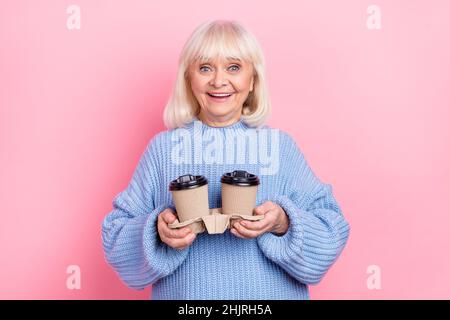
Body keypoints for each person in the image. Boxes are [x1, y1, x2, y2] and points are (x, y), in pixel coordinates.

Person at [101, 20, 350, 300]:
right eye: (205, 68)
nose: (219, 81)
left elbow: (333, 229)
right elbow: (115, 237)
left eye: (234, 67)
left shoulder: (279, 148)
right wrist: (156, 231)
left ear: (253, 79)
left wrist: (283, 222)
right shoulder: (164, 150)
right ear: (188, 78)